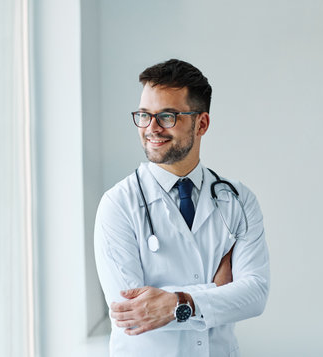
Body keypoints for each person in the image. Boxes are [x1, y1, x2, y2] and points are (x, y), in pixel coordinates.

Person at [94, 59, 270, 357]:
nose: (151, 128)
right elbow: (132, 313)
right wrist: (216, 292)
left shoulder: (238, 199)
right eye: (144, 115)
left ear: (201, 123)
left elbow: (255, 295)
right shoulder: (118, 204)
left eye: (167, 116)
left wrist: (176, 303)